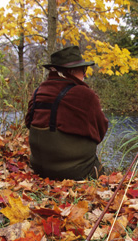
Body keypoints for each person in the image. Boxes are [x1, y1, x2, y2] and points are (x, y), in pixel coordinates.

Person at [25, 46, 109, 180]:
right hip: (75, 172)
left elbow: (28, 123)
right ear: (71, 71)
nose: (85, 74)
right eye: (83, 70)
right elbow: (101, 130)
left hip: (38, 168)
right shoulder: (84, 94)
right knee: (105, 177)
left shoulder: (38, 91)